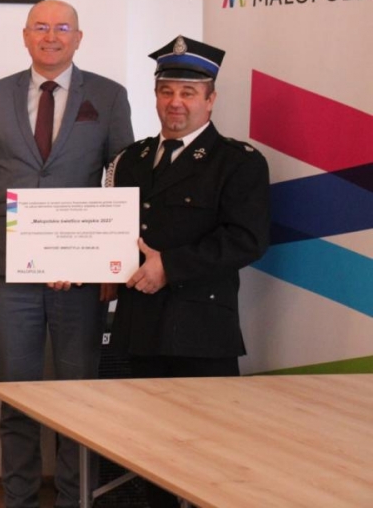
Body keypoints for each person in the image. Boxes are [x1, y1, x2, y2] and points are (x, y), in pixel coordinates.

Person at [0, 0, 133, 507]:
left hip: (82, 275)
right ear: (25, 35)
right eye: (40, 27)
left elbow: (122, 184)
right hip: (8, 272)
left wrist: (107, 263)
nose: (51, 36)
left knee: (78, 399)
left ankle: (75, 499)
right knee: (18, 397)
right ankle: (19, 500)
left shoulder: (108, 95)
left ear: (79, 38)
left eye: (61, 28)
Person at [106, 35, 270, 508]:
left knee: (211, 450)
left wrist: (170, 266)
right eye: (167, 91)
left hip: (202, 329)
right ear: (156, 95)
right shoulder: (131, 159)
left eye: (188, 92)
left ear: (210, 100)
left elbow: (247, 239)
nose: (175, 102)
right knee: (149, 446)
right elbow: (112, 230)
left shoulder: (238, 162)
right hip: (141, 324)